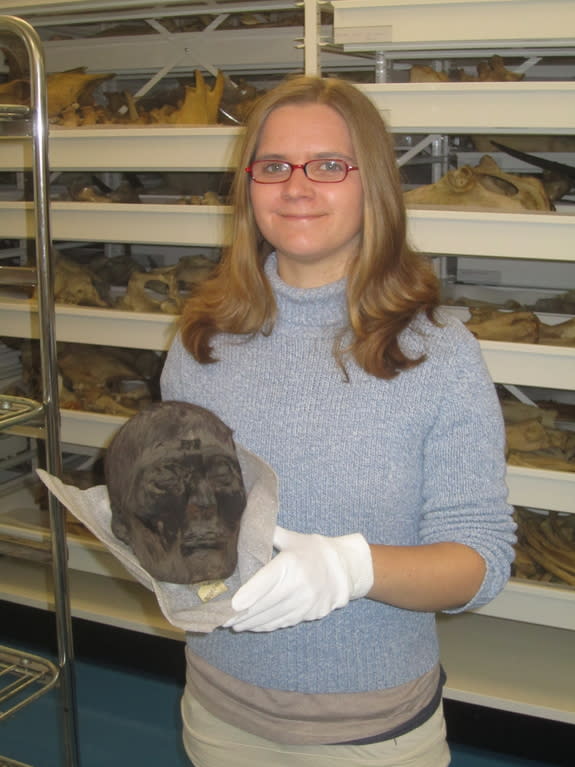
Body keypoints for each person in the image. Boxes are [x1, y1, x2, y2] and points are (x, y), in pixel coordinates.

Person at [160, 74, 516, 767]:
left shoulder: (436, 354)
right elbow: (191, 515)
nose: (296, 187)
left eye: (328, 165)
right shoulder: (201, 341)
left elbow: (480, 560)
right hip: (217, 709)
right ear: (249, 186)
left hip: (371, 734)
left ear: (371, 185)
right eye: (273, 166)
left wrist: (353, 567)